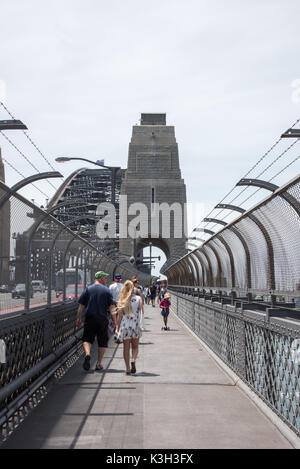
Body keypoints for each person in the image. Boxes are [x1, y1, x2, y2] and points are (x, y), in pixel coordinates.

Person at [76, 271, 116, 371]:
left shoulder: (88, 290)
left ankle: (88, 354)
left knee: (87, 339)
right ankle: (98, 363)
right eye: (105, 278)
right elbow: (112, 307)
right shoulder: (107, 291)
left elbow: (81, 306)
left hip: (90, 318)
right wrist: (114, 320)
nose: (106, 279)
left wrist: (78, 319)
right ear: (100, 278)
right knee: (102, 341)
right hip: (103, 319)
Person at [117, 280, 143, 375]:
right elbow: (141, 312)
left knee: (126, 348)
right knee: (135, 347)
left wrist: (117, 329)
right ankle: (133, 360)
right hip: (135, 325)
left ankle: (127, 368)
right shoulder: (138, 298)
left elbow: (119, 317)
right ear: (132, 289)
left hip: (125, 327)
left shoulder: (121, 301)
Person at [109, 274, 123, 343]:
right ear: (120, 279)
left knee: (114, 320)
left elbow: (109, 296)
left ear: (114, 279)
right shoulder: (123, 286)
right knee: (120, 320)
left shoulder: (111, 286)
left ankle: (115, 333)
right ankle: (119, 335)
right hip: (121, 305)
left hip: (113, 304)